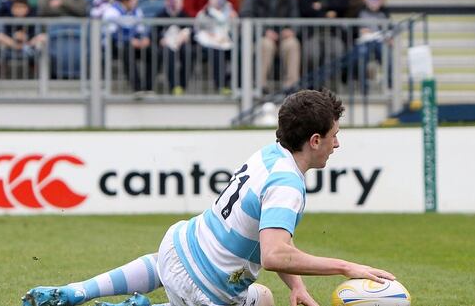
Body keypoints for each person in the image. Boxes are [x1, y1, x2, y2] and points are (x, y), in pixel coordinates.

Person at [21, 89, 396, 306]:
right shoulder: (288, 184)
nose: (337, 142)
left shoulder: (269, 155)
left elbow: (269, 237)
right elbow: (274, 253)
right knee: (260, 299)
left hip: (177, 246)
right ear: (314, 140)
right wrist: (348, 267)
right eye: (334, 135)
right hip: (207, 286)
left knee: (177, 263)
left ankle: (76, 291)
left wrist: (297, 285)